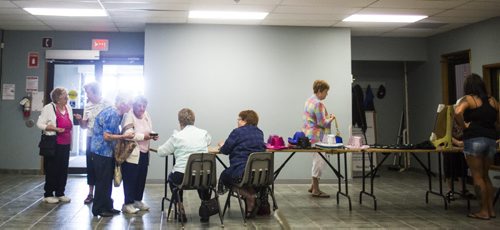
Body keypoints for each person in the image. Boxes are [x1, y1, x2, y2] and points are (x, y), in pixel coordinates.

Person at [455, 73, 499, 220]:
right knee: (486, 176)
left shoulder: (469, 99)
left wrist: (464, 127)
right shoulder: (492, 100)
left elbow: (457, 112)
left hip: (474, 139)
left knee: (477, 176)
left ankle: (483, 211)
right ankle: (491, 210)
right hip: (491, 140)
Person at [157, 108, 212, 222]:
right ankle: (205, 206)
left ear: (180, 122)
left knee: (172, 179)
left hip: (182, 177)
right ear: (194, 120)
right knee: (199, 178)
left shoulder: (177, 136)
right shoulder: (204, 133)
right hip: (203, 177)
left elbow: (161, 152)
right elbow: (208, 141)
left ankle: (180, 207)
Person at [91, 93, 134, 217]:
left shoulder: (116, 114)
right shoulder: (113, 114)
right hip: (101, 152)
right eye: (129, 104)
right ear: (122, 104)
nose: (130, 107)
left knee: (107, 181)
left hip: (106, 152)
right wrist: (124, 136)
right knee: (102, 181)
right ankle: (98, 208)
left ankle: (107, 206)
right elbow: (107, 136)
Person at [218, 110, 266, 218]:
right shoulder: (260, 132)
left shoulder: (237, 132)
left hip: (241, 171)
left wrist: (222, 145)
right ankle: (251, 199)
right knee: (245, 179)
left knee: (225, 176)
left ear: (245, 120)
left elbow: (225, 150)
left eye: (239, 119)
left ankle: (249, 196)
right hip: (259, 173)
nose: (237, 122)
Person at [74, 82, 110, 204]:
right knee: (91, 165)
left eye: (88, 92)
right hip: (90, 138)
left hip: (103, 140)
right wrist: (80, 120)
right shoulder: (87, 106)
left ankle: (103, 194)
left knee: (103, 168)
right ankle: (90, 193)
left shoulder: (106, 103)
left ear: (95, 92)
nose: (87, 95)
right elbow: (84, 126)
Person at [120, 96, 158, 214]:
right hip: (132, 153)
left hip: (144, 151)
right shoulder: (129, 116)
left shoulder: (146, 114)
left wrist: (153, 135)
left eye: (144, 106)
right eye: (139, 106)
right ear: (134, 106)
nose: (142, 108)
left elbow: (149, 129)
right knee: (130, 178)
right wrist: (143, 136)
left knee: (141, 177)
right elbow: (129, 134)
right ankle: (128, 203)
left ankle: (137, 200)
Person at [37, 87, 74, 204]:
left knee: (63, 169)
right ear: (58, 99)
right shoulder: (49, 108)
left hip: (66, 143)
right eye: (65, 96)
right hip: (54, 144)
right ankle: (48, 194)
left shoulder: (68, 108)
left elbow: (70, 124)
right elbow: (40, 124)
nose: (67, 97)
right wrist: (54, 128)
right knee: (52, 169)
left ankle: (60, 192)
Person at [302, 80, 335, 198]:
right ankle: (316, 189)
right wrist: (331, 118)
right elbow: (322, 123)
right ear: (320, 91)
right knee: (319, 162)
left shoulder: (308, 101)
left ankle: (312, 186)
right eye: (326, 92)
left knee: (316, 160)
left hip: (309, 135)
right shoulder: (318, 104)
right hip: (317, 137)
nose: (327, 94)